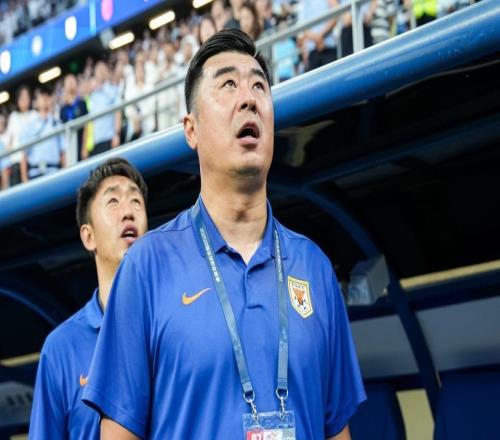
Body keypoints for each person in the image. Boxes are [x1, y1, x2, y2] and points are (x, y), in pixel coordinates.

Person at [83, 29, 365, 439]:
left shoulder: (315, 268)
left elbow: (337, 430)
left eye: (259, 86)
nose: (248, 98)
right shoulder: (146, 267)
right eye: (228, 85)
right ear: (191, 129)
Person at [29, 157, 148, 439]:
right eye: (113, 201)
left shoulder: (173, 322)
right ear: (88, 237)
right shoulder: (60, 348)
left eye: (136, 201)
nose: (128, 212)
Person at [23, 87, 65, 180]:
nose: (45, 98)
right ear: (36, 102)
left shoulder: (57, 123)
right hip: (35, 173)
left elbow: (63, 152)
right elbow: (24, 155)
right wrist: (25, 181)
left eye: (47, 95)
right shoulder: (30, 126)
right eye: (41, 95)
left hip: (54, 172)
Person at [86, 61, 122, 158]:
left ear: (107, 71)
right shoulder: (92, 96)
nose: (100, 73)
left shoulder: (113, 90)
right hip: (96, 142)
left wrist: (116, 134)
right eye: (98, 70)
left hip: (109, 138)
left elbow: (118, 113)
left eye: (102, 70)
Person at [4, 85, 37, 186]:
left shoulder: (34, 115)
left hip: (32, 161)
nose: (24, 100)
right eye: (22, 97)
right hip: (16, 162)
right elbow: (8, 140)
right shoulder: (14, 116)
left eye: (26, 97)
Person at [60, 74, 88, 162]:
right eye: (68, 82)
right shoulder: (62, 109)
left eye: (72, 81)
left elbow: (86, 126)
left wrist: (84, 147)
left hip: (80, 142)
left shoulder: (81, 103)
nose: (70, 84)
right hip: (69, 145)